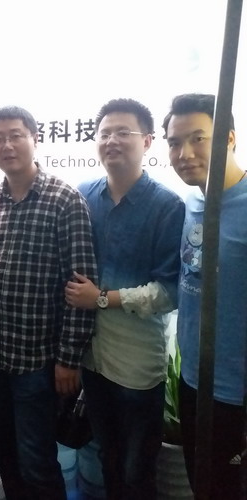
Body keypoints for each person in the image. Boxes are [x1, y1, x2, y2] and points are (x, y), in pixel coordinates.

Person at [0, 105, 97, 500]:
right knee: (2, 446)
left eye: (15, 135)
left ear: (35, 139)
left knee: (37, 459)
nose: (7, 145)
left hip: (36, 360)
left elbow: (81, 282)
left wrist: (69, 358)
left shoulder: (65, 199)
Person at [65, 98, 185, 500]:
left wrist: (101, 298)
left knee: (138, 469)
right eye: (104, 133)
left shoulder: (167, 206)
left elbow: (169, 292)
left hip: (136, 364)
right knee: (107, 459)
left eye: (123, 132)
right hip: (93, 358)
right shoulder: (83, 195)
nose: (112, 140)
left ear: (147, 141)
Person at [162, 93, 247, 499]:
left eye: (198, 138)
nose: (185, 154)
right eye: (175, 143)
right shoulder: (192, 201)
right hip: (193, 380)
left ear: (229, 138)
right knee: (204, 488)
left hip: (237, 394)